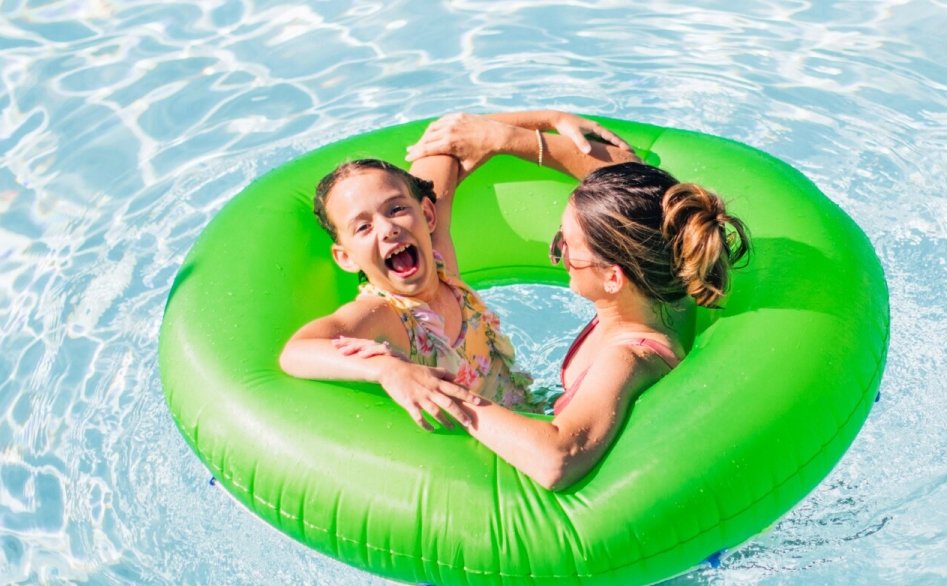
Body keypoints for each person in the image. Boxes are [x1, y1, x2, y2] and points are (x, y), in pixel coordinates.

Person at [398, 113, 751, 491]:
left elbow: (557, 459)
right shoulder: (669, 278)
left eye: (567, 245)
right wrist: (511, 133)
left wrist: (444, 395)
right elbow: (634, 179)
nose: (557, 253)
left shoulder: (628, 358)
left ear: (613, 277)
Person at [279, 110, 636, 432]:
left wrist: (550, 119)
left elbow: (447, 140)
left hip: (530, 411)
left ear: (427, 214)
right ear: (345, 258)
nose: (387, 229)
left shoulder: (438, 261)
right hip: (488, 447)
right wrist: (389, 370)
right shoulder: (383, 314)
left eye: (396, 208)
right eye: (363, 228)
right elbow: (297, 351)